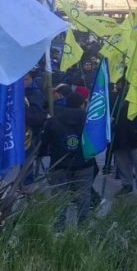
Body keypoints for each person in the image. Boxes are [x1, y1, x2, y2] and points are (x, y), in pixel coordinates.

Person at [40, 92, 96, 228]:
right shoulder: (90, 120)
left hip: (60, 164)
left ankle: (59, 226)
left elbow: (45, 141)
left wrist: (41, 154)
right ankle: (83, 226)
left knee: (59, 197)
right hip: (84, 163)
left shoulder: (54, 120)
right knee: (84, 196)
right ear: (82, 104)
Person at [112, 93, 137, 198]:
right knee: (123, 164)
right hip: (119, 137)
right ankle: (127, 185)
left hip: (136, 137)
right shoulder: (116, 97)